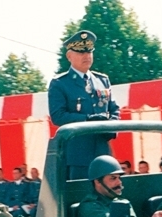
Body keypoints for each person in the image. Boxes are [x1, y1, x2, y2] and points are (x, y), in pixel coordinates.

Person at [48, 30, 121, 180]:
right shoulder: (60, 83)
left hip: (104, 153)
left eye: (89, 52)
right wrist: (88, 119)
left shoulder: (102, 80)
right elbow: (58, 116)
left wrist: (110, 127)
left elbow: (114, 109)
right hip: (78, 157)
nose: (87, 56)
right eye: (81, 52)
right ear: (69, 56)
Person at [78, 155, 162, 217]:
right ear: (97, 182)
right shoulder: (89, 207)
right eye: (113, 178)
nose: (119, 182)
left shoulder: (120, 201)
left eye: (119, 177)